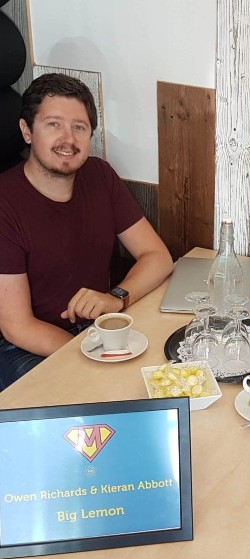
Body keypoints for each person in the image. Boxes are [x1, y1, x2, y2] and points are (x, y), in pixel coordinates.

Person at [0, 73, 173, 390]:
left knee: (171, 366)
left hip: (96, 330)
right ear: (27, 131)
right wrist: (90, 355)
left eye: (79, 127)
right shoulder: (4, 203)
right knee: (100, 396)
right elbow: (17, 326)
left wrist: (116, 299)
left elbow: (158, 257)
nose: (68, 139)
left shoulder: (99, 175)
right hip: (23, 347)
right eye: (53, 124)